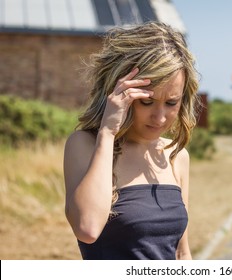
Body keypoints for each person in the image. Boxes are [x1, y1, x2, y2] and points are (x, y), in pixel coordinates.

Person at [63, 22, 200, 260]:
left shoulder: (175, 155)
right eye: (146, 102)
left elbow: (181, 252)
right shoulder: (84, 145)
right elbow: (87, 228)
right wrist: (107, 131)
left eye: (171, 103)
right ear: (119, 92)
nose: (160, 118)